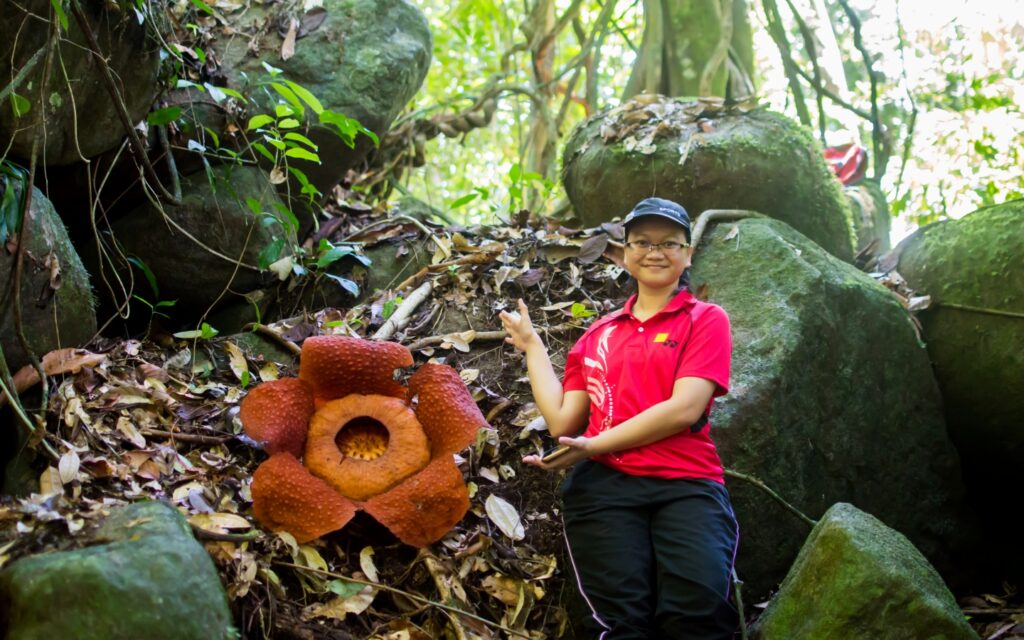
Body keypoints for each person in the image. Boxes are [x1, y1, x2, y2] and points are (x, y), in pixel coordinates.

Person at [499, 197, 740, 639]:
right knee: (619, 625)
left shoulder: (705, 319)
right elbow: (563, 421)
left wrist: (595, 444)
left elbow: (685, 409)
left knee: (698, 615)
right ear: (625, 254)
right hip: (605, 488)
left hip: (687, 483)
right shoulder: (598, 336)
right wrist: (533, 347)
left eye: (669, 242)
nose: (655, 251)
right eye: (642, 242)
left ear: (688, 253)